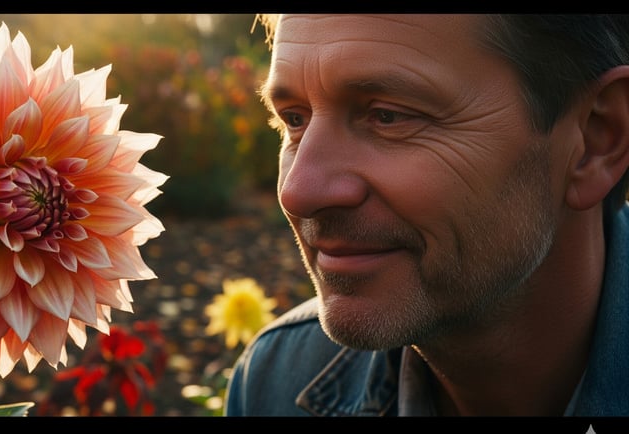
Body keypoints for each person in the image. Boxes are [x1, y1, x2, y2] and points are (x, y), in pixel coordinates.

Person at [224, 14, 629, 417]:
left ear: (597, 141)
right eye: (294, 120)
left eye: (388, 116)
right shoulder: (272, 381)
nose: (296, 193)